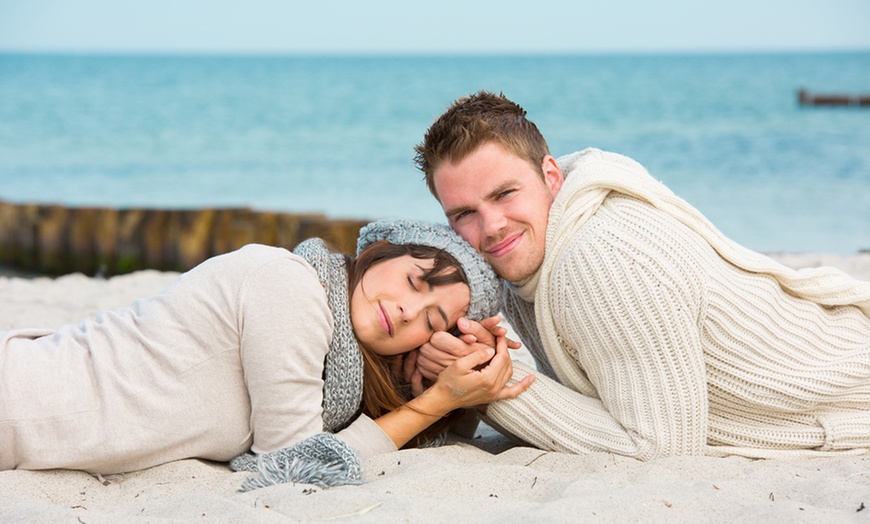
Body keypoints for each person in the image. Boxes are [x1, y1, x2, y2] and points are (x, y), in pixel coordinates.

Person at [412, 90, 870, 460]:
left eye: (505, 193)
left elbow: (661, 450)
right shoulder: (523, 254)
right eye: (465, 213)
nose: (491, 226)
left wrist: (491, 390)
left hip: (852, 390)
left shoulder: (602, 258)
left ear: (551, 175)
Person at [0, 218, 533, 490]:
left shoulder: (338, 370)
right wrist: (434, 401)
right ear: (381, 252)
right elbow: (293, 464)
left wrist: (440, 379)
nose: (407, 311)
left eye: (432, 323)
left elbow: (410, 442)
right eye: (414, 281)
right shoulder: (291, 290)